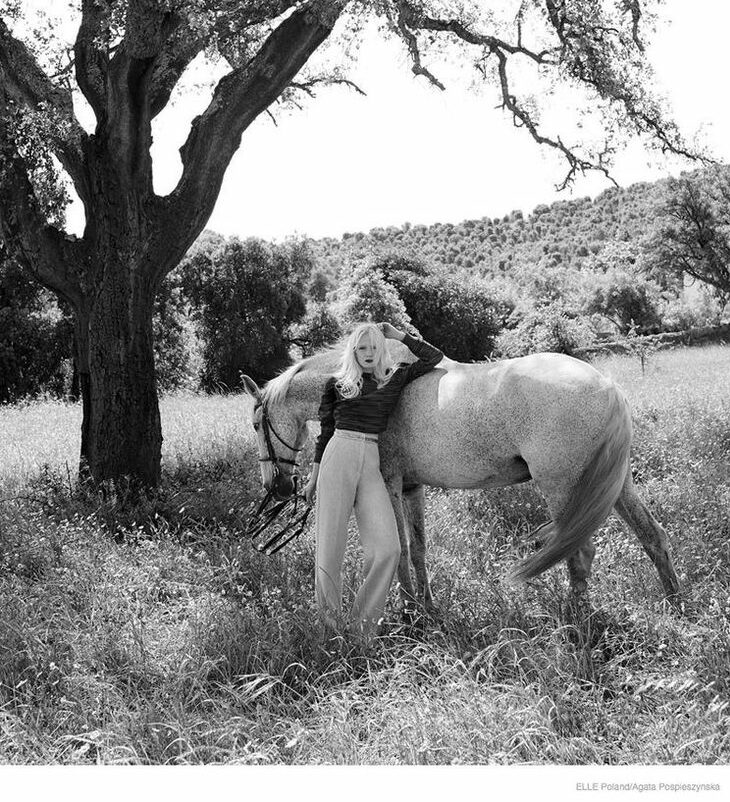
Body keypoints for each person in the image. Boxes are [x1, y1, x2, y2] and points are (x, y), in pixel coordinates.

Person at [303, 321, 444, 636]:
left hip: (370, 460)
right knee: (329, 549)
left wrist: (397, 335)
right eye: (361, 347)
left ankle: (363, 631)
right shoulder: (337, 383)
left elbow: (434, 358)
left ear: (382, 350)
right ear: (353, 351)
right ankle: (330, 632)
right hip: (337, 455)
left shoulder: (394, 378)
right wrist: (313, 479)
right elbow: (325, 433)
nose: (368, 353)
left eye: (374, 347)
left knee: (388, 549)